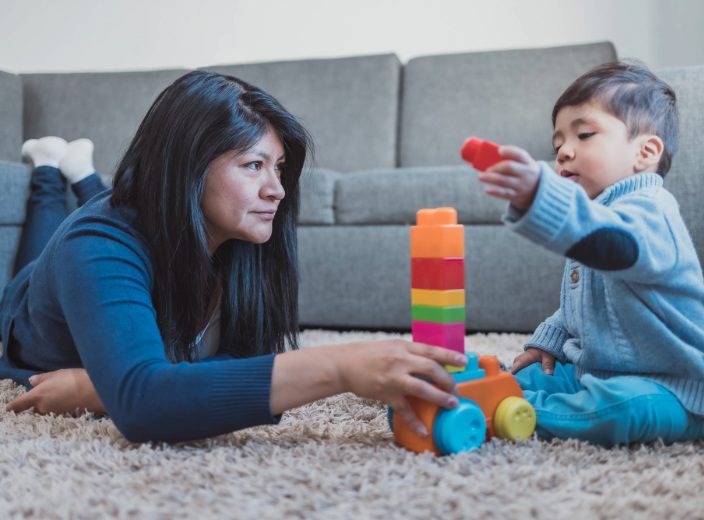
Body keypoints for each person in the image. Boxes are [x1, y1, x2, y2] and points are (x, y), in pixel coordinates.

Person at [1, 71, 465, 443]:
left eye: (278, 167)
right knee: (51, 238)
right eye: (253, 165)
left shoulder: (244, 236)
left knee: (95, 211)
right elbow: (146, 407)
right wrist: (340, 365)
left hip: (137, 226)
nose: (277, 189)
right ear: (188, 167)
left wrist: (99, 390)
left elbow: (250, 364)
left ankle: (77, 171)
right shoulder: (97, 243)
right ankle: (49, 167)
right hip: (28, 301)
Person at [475, 61, 704, 446]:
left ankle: (511, 413)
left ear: (645, 151)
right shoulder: (596, 217)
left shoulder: (650, 211)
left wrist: (541, 198)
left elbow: (612, 245)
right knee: (533, 374)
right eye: (558, 142)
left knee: (623, 410)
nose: (564, 151)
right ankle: (494, 391)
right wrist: (546, 341)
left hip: (673, 387)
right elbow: (579, 307)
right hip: (593, 369)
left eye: (584, 134)